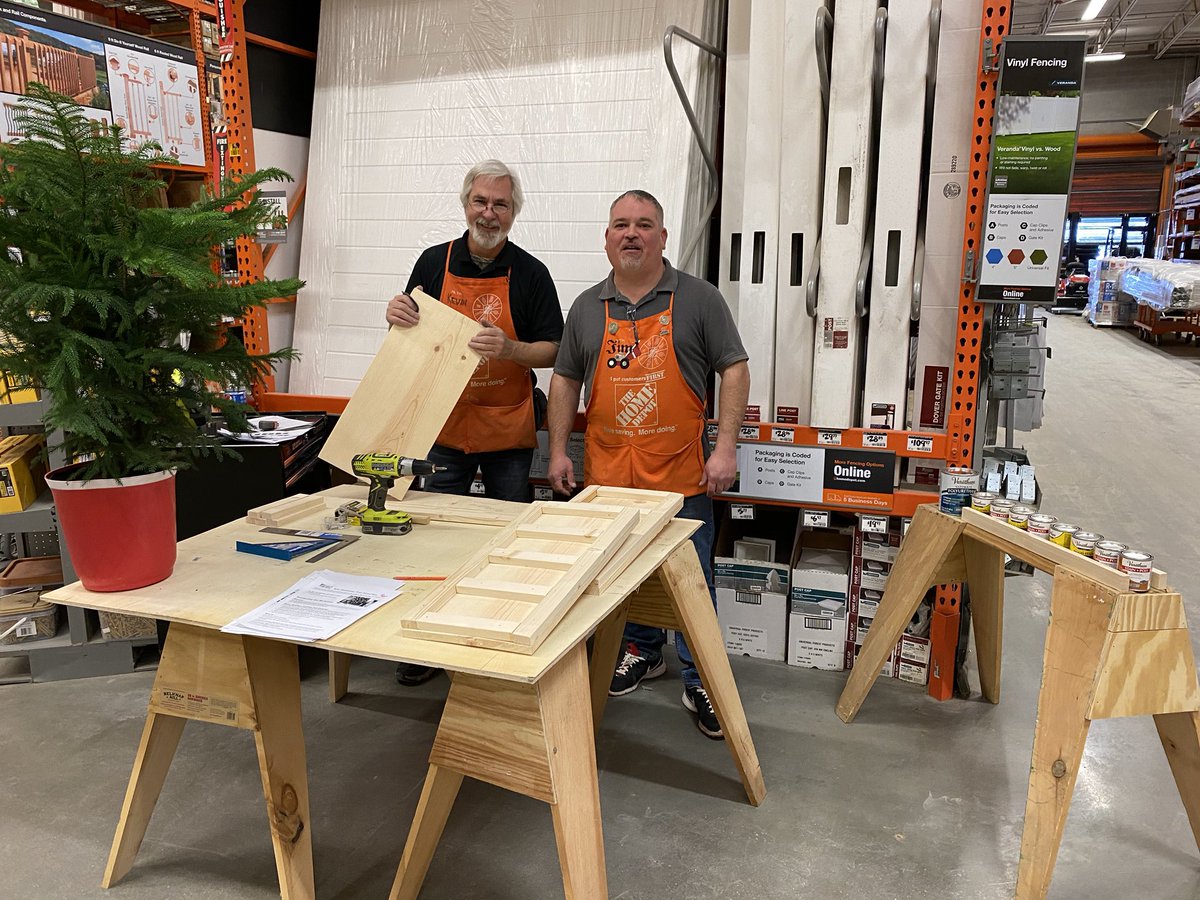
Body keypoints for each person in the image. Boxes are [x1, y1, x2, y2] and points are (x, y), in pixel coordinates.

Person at [546, 189, 750, 740]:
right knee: (620, 585)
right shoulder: (588, 306)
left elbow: (734, 369)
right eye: (620, 225)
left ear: (663, 237)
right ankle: (640, 651)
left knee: (692, 587)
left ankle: (699, 673)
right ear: (606, 238)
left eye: (643, 224)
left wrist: (726, 447)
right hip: (609, 481)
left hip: (681, 482)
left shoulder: (700, 299)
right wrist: (561, 449)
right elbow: (565, 378)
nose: (631, 234)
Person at [386, 160, 563, 685]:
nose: (489, 213)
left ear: (514, 212)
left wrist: (509, 348)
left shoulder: (530, 273)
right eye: (481, 202)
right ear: (466, 204)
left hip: (507, 427)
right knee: (433, 535)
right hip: (442, 424)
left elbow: (553, 349)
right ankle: (425, 644)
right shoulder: (432, 263)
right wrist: (395, 315)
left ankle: (507, 633)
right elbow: (408, 333)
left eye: (501, 204)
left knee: (510, 535)